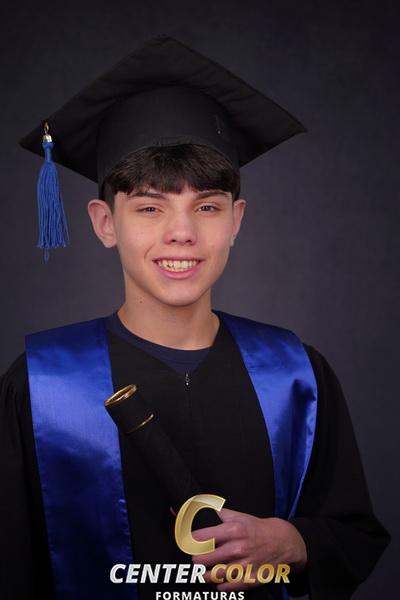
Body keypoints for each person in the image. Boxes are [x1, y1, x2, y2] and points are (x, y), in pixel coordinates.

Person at [0, 35, 390, 600]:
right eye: (150, 207)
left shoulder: (295, 377)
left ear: (236, 220)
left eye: (206, 206)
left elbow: (353, 535)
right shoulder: (42, 388)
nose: (181, 232)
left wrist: (293, 542)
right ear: (105, 223)